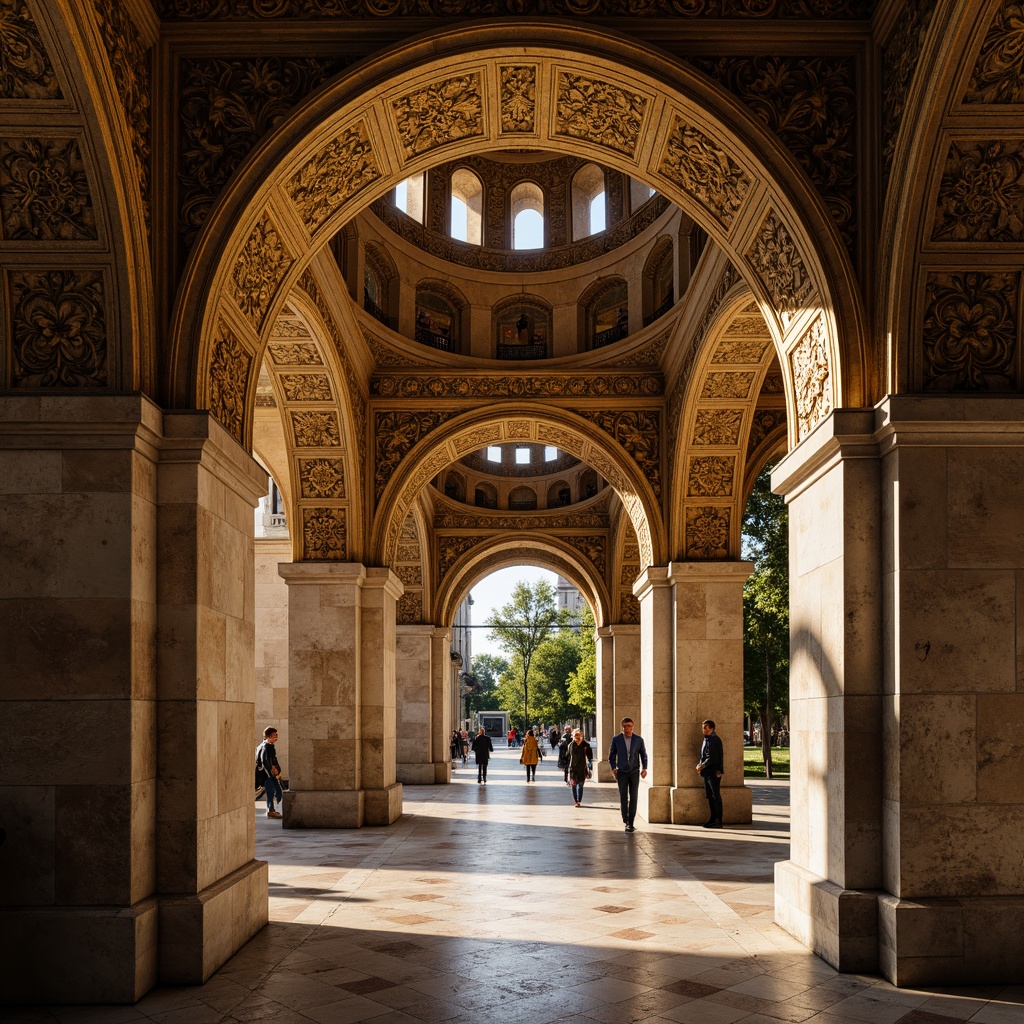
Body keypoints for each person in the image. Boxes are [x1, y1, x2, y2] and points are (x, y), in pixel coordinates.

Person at [608, 717, 647, 832]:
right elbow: (611, 755)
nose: (628, 728)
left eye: (629, 726)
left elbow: (643, 755)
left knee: (634, 797)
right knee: (623, 797)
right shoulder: (616, 739)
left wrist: (645, 768)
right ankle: (625, 819)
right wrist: (614, 768)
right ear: (622, 727)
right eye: (625, 726)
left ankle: (631, 822)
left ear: (633, 726)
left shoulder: (638, 739)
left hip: (634, 772)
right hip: (622, 772)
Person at [695, 719, 724, 828]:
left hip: (713, 772)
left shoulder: (715, 740)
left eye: (704, 728)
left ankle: (718, 820)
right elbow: (704, 756)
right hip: (707, 772)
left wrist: (702, 765)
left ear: (710, 728)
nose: (702, 730)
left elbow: (713, 758)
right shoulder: (706, 740)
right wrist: (700, 764)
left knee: (715, 795)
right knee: (710, 796)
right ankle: (713, 818)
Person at [256, 726, 283, 819]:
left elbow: (273, 760)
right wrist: (272, 774)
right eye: (275, 735)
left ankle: (272, 810)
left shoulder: (268, 746)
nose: (277, 737)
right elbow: (265, 762)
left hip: (268, 775)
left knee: (271, 792)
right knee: (276, 791)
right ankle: (276, 810)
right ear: (268, 736)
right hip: (267, 775)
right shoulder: (265, 747)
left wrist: (277, 771)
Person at [566, 730, 593, 807]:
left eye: (578, 736)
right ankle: (576, 800)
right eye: (575, 736)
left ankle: (578, 800)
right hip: (573, 768)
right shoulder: (570, 745)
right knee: (574, 784)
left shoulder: (585, 745)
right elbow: (567, 756)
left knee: (580, 784)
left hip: (582, 767)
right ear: (573, 736)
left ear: (581, 736)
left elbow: (590, 756)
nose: (577, 737)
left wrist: (590, 763)